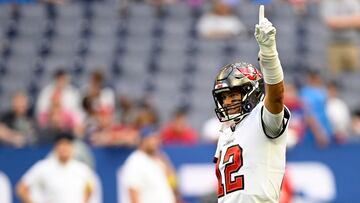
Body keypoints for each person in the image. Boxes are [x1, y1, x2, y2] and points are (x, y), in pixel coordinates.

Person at [212, 5, 290, 202]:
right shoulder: (226, 132)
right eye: (223, 97)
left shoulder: (261, 119)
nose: (227, 101)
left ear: (252, 93)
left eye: (233, 95)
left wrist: (269, 55)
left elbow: (277, 97)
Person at [16, 132, 96, 203]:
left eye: (67, 144)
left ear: (72, 147)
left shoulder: (81, 169)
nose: (64, 148)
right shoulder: (44, 167)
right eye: (61, 144)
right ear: (56, 147)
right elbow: (22, 189)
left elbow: (90, 189)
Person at [120, 126, 179, 203]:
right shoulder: (135, 161)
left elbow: (172, 184)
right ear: (143, 141)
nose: (156, 142)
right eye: (152, 138)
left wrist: (168, 167)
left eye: (157, 138)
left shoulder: (159, 160)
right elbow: (133, 190)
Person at [320, 0, 360, 75]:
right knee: (333, 77)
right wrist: (351, 21)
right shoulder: (328, 3)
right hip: (333, 46)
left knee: (353, 77)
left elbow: (358, 21)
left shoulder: (353, 2)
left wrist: (339, 21)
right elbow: (331, 23)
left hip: (351, 45)